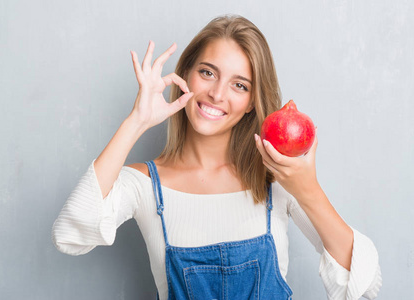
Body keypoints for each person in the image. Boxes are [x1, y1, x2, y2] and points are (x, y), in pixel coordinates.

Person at [51, 14, 382, 299]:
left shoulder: (273, 178)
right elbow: (69, 234)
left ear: (252, 100)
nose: (217, 93)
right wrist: (135, 122)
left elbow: (365, 284)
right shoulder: (143, 184)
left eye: (240, 85)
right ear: (187, 75)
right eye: (208, 72)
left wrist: (307, 188)